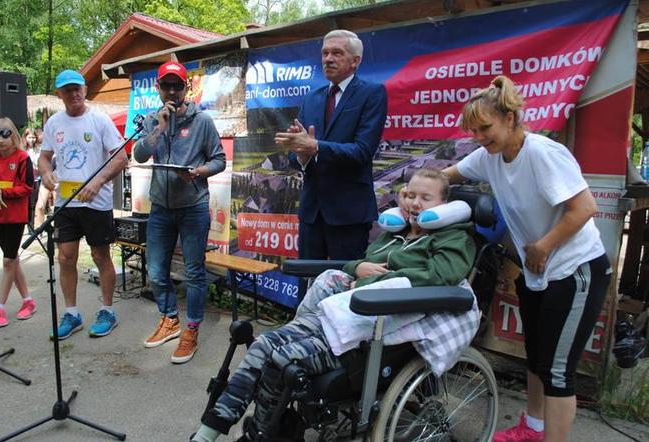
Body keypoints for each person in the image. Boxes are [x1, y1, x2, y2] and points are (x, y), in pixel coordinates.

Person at [191, 169, 476, 442]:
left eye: (426, 198)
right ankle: (210, 430)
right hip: (339, 315)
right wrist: (359, 266)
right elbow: (356, 266)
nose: (415, 203)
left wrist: (374, 279)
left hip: (371, 329)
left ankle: (260, 434)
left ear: (444, 205)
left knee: (283, 360)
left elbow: (441, 276)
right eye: (411, 195)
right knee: (263, 344)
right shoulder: (395, 233)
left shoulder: (453, 238)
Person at [443, 75, 611, 442]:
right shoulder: (490, 155)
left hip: (575, 269)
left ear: (510, 118)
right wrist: (418, 192)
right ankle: (533, 429)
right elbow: (448, 175)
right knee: (535, 357)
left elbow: (584, 208)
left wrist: (543, 246)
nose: (479, 137)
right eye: (473, 131)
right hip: (539, 272)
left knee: (558, 371)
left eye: (484, 128)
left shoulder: (541, 152)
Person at [134, 61, 226, 364]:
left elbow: (219, 160)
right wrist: (159, 128)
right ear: (159, 89)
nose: (172, 91)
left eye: (178, 85)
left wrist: (200, 172)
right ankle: (170, 319)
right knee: (157, 271)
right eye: (166, 85)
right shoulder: (151, 120)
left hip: (193, 207)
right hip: (161, 206)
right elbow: (140, 154)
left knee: (195, 272)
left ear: (186, 88)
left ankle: (192, 330)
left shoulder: (202, 121)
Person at [275, 29, 387, 262]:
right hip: (311, 212)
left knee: (343, 287)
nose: (328, 59)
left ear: (355, 61)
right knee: (307, 284)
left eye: (337, 53)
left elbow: (362, 152)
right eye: (325, 53)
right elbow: (299, 156)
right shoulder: (312, 98)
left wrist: (315, 147)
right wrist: (301, 154)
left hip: (349, 214)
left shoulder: (372, 93)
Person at [39, 69, 127, 340]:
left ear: (85, 90)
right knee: (65, 257)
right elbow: (44, 158)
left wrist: (98, 181)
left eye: (77, 88)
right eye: (67, 90)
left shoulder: (99, 120)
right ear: (59, 94)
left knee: (101, 256)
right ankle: (72, 313)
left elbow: (121, 157)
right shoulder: (54, 123)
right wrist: (45, 173)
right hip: (66, 202)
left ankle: (107, 310)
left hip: (96, 202)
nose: (73, 93)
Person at [0, 117, 36, 327]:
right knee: (12, 259)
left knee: (7, 261)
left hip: (16, 216)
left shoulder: (23, 158)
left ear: (14, 135)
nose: (0, 140)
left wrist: (3, 192)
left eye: (5, 134)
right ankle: (28, 301)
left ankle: (0, 308)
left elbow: (28, 187)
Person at [32, 128, 53, 228]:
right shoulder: (38, 149)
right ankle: (39, 228)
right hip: (45, 178)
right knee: (40, 205)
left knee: (57, 207)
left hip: (59, 179)